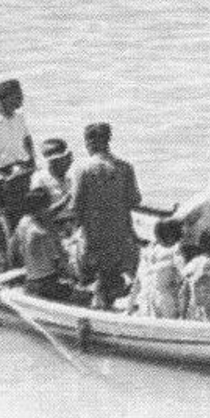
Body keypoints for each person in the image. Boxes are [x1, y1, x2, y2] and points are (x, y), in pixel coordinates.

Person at [70, 122, 142, 309]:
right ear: (108, 141)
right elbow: (135, 200)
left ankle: (95, 305)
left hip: (93, 240)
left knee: (76, 261)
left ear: (89, 142)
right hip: (121, 238)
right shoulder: (125, 168)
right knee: (114, 274)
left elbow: (75, 206)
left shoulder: (83, 169)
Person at [13, 189, 78, 302]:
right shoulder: (42, 234)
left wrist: (66, 199)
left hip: (31, 282)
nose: (49, 208)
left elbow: (49, 212)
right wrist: (75, 276)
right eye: (47, 205)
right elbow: (60, 261)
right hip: (47, 285)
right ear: (41, 208)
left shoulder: (23, 222)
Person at [129, 218, 186, 317]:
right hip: (145, 300)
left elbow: (183, 282)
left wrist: (183, 313)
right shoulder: (148, 250)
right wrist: (129, 306)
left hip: (166, 303)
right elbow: (138, 281)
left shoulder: (177, 252)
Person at [28, 137, 77, 235]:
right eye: (65, 158)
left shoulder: (71, 178)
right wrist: (67, 199)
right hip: (51, 229)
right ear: (53, 162)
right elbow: (41, 216)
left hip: (73, 226)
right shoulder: (40, 179)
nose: (70, 161)